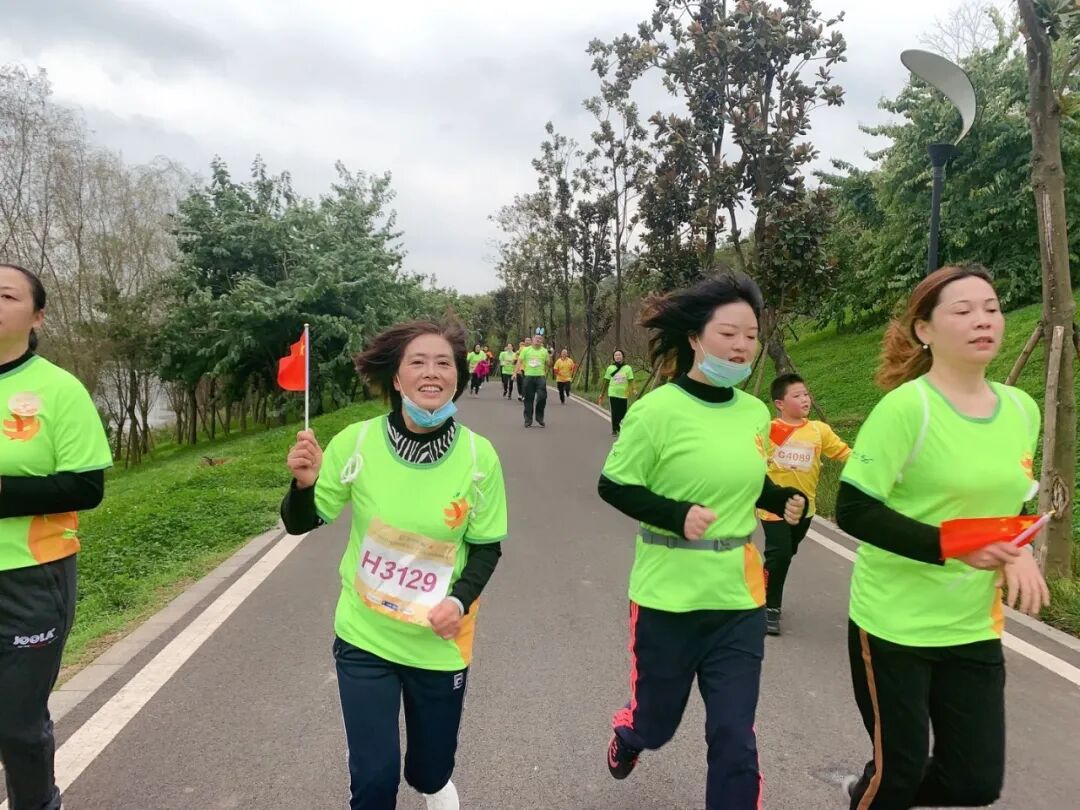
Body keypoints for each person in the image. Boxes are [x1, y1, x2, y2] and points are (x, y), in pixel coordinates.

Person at [835, 264, 1050, 810]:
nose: (984, 320)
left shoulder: (1021, 410)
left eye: (992, 308)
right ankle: (879, 789)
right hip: (894, 623)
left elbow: (1010, 504)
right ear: (925, 330)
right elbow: (854, 510)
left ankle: (872, 790)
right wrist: (954, 546)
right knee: (899, 773)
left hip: (972, 625)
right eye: (964, 310)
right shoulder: (908, 408)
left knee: (974, 782)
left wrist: (1020, 549)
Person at [597, 273, 807, 810]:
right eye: (728, 334)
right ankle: (631, 735)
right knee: (657, 723)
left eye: (750, 336)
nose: (741, 347)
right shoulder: (657, 410)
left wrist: (780, 495)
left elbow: (748, 478)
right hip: (667, 596)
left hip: (738, 597)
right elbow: (613, 485)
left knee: (734, 734)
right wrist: (676, 514)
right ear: (695, 338)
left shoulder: (754, 412)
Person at [281, 320, 508, 810]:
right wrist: (303, 486)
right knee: (375, 781)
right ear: (398, 379)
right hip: (365, 635)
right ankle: (370, 760)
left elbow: (487, 547)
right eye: (417, 362)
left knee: (429, 772)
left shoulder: (479, 457)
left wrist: (458, 600)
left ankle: (431, 781)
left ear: (458, 377)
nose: (432, 372)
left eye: (443, 363)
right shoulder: (357, 442)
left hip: (438, 642)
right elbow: (302, 522)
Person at [0, 263, 112, 810]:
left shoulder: (58, 389)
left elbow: (85, 486)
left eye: (6, 296)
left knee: (16, 724)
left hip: (30, 578)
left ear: (37, 316)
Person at [759, 373, 851, 636]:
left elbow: (844, 453)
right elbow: (752, 461)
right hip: (774, 508)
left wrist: (873, 467)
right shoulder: (770, 430)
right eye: (797, 395)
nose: (805, 400)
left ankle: (764, 584)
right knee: (779, 555)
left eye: (806, 394)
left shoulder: (819, 431)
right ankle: (770, 608)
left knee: (786, 554)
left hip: (806, 509)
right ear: (780, 403)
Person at [597, 350, 636, 435]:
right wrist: (602, 393)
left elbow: (631, 380)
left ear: (623, 357)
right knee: (614, 411)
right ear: (613, 358)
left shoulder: (628, 368)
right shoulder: (610, 368)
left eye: (619, 355)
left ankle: (619, 425)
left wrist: (633, 389)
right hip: (613, 392)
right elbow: (606, 381)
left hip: (624, 393)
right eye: (616, 355)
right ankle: (614, 429)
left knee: (623, 412)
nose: (617, 356)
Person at [516, 333, 550, 428]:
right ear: (533, 339)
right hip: (528, 377)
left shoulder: (544, 351)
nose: (538, 340)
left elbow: (548, 364)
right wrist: (515, 372)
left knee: (542, 397)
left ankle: (539, 418)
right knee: (528, 399)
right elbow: (519, 361)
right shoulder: (526, 350)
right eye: (536, 338)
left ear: (542, 341)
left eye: (540, 338)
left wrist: (550, 356)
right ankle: (528, 420)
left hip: (540, 377)